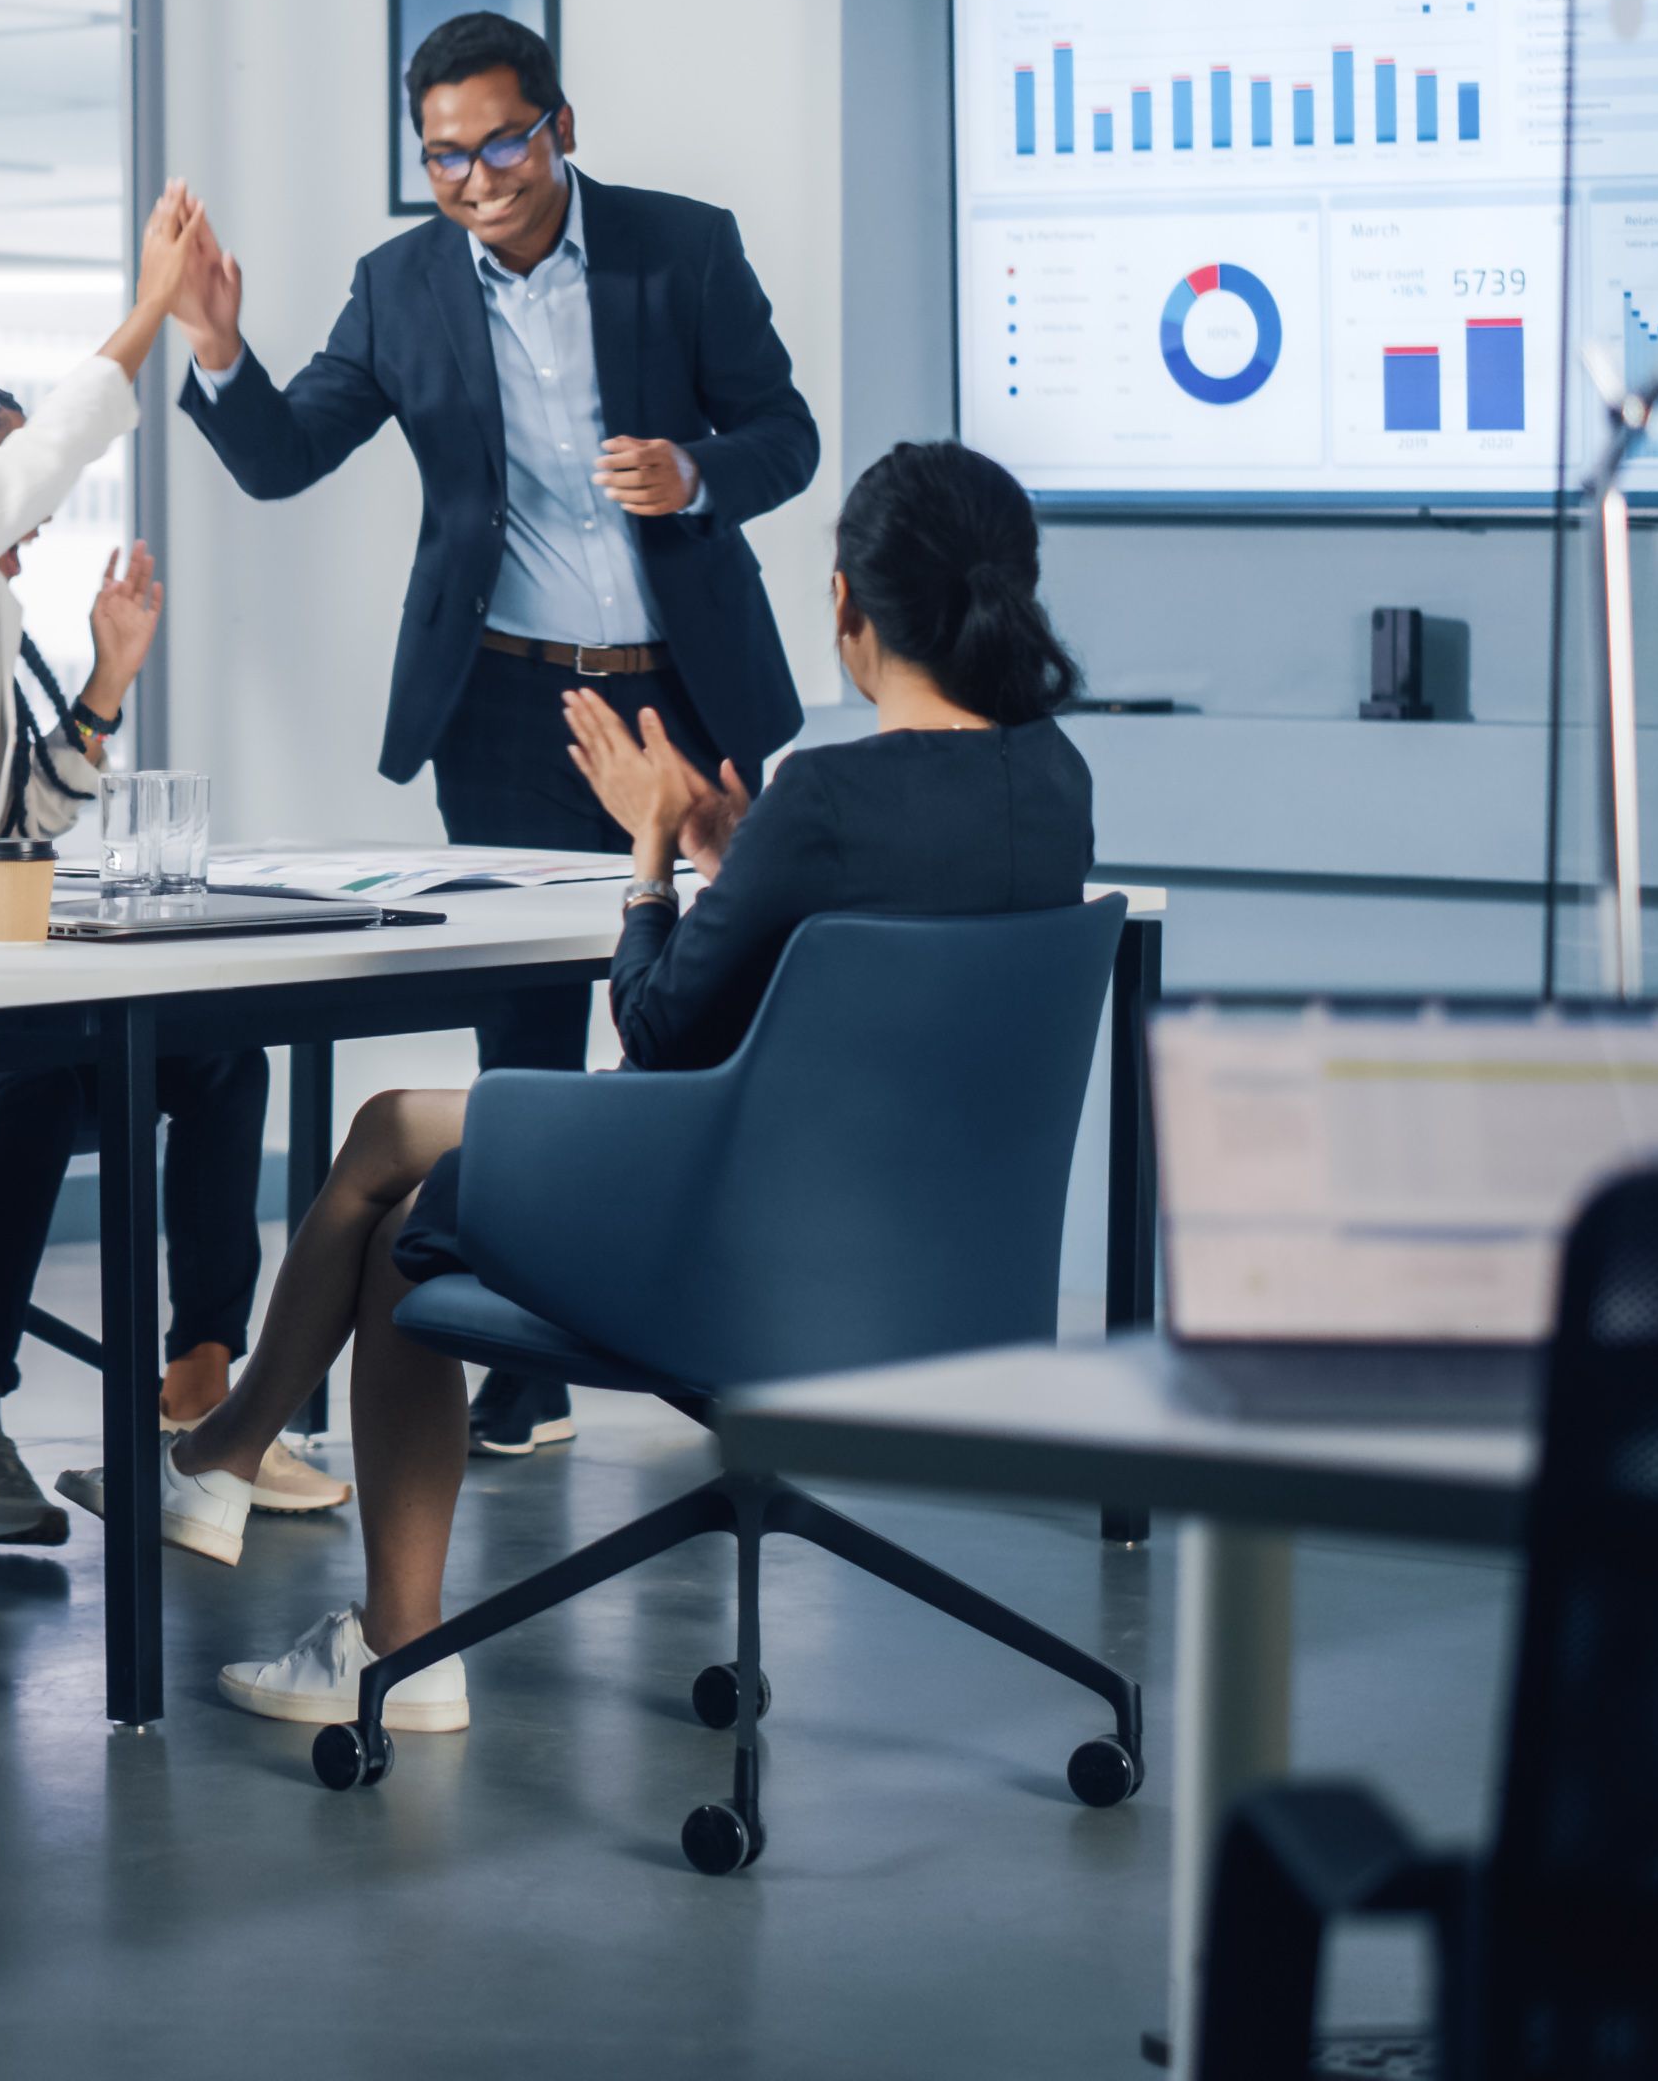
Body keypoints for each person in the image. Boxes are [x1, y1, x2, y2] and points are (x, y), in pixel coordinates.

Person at [66, 443, 1094, 1740]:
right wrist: (739, 862)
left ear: (847, 602)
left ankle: (358, 1605)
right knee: (405, 1166)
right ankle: (244, 1488)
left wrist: (654, 852)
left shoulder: (827, 797)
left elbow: (655, 1029)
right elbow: (865, 984)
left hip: (743, 1252)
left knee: (400, 1191)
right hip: (932, 1265)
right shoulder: (1054, 783)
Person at [176, 7, 822, 1455]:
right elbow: (285, 458)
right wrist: (221, 351)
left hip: (685, 691)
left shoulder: (682, 248)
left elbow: (787, 435)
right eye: (445, 157)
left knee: (710, 1009)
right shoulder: (399, 286)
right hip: (511, 702)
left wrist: (696, 472)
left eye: (503, 144)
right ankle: (530, 1351)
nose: (476, 179)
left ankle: (710, 1323)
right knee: (524, 1029)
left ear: (561, 128)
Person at [0, 189, 336, 1545]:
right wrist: (155, 309)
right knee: (39, 1079)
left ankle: (202, 1405)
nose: (35, 526)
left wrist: (105, 683)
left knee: (222, 1055)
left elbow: (22, 825)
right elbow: (33, 467)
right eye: (6, 495)